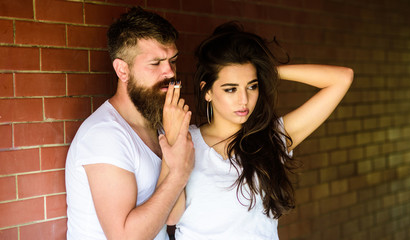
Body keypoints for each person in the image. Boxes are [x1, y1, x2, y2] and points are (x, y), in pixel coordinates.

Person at [174, 22, 354, 239]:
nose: (244, 100)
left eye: (252, 86)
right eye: (231, 89)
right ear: (207, 91)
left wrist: (267, 72)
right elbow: (171, 215)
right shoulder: (184, 139)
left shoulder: (271, 138)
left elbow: (342, 78)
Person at [65, 7, 194, 240]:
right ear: (122, 70)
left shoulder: (162, 124)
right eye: (156, 63)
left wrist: (174, 141)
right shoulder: (104, 135)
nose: (170, 72)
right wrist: (179, 172)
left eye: (172, 61)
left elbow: (173, 217)